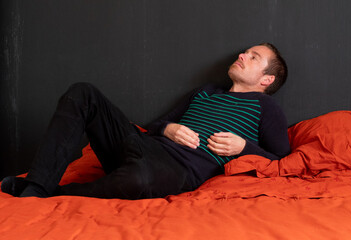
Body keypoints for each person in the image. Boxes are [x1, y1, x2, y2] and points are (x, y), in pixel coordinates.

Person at [1, 43, 291, 199]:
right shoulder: (204, 92)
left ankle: (47, 191)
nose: (242, 55)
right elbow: (154, 125)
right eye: (246, 52)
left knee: (137, 179)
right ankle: (37, 186)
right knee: (83, 92)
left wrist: (244, 148)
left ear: (267, 79)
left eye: (253, 57)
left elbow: (281, 160)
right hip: (144, 145)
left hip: (179, 170)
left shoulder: (266, 107)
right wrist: (169, 128)